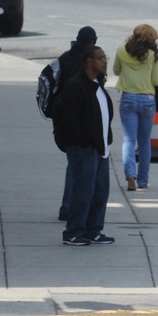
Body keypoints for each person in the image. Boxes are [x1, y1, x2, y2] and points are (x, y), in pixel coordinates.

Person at [53, 46, 115, 246]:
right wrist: (85, 142)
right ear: (89, 61)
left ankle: (93, 230)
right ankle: (73, 232)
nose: (105, 61)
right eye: (101, 58)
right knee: (83, 191)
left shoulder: (97, 83)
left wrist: (105, 140)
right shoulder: (75, 85)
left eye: (105, 58)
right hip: (84, 149)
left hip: (101, 148)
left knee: (100, 191)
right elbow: (70, 119)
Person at [113, 24, 158, 191]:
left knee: (129, 139)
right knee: (144, 142)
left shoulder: (121, 51)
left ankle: (130, 177)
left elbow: (116, 71)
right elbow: (156, 81)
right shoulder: (152, 55)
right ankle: (143, 180)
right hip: (147, 100)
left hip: (128, 98)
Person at [56, 26, 98, 222]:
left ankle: (67, 206)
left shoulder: (66, 58)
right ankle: (77, 209)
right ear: (93, 41)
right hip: (85, 119)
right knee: (86, 168)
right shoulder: (90, 62)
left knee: (73, 164)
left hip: (64, 117)